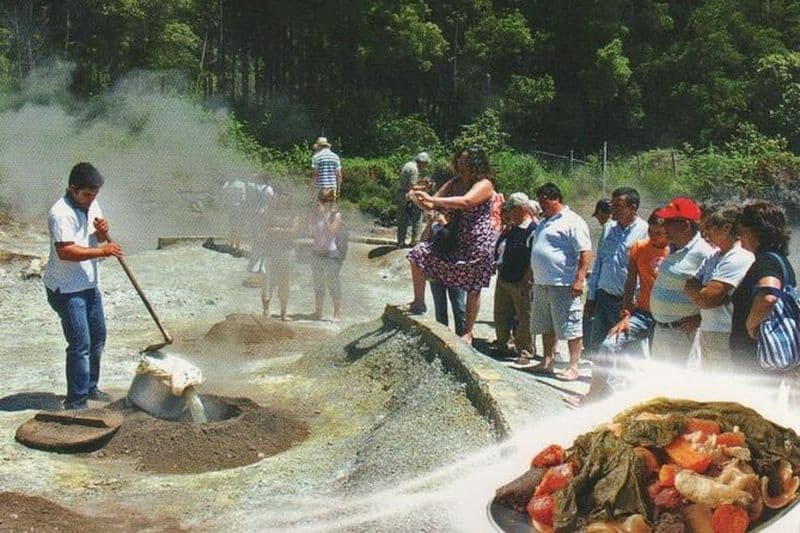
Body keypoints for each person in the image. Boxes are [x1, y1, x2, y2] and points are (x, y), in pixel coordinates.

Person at [43, 163, 122, 410]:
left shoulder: (91, 204)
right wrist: (102, 250)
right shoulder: (60, 212)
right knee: (80, 344)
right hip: (66, 289)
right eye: (87, 194)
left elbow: (93, 237)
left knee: (98, 337)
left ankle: (90, 388)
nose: (91, 199)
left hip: (89, 284)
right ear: (72, 189)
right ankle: (76, 402)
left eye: (95, 194)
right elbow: (65, 251)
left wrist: (102, 233)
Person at [404, 145, 497, 343]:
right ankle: (419, 303)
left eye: (466, 161)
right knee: (418, 253)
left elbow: (466, 201)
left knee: (473, 287)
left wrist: (430, 198)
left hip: (477, 241)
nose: (462, 164)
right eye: (460, 160)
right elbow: (432, 204)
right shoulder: (453, 183)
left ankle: (468, 331)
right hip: (454, 238)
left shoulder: (485, 183)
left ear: (476, 163)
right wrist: (417, 198)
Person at [594, 210, 670, 393]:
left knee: (658, 362)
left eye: (658, 233)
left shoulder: (675, 251)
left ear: (668, 232)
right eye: (651, 232)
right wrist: (626, 312)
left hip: (667, 317)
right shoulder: (639, 247)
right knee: (609, 345)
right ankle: (597, 392)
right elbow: (631, 281)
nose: (653, 237)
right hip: (643, 313)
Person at [528, 182, 592, 381]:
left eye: (543, 201)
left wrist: (579, 280)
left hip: (564, 283)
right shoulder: (544, 221)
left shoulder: (572, 221)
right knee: (546, 325)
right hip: (542, 282)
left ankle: (573, 366)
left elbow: (585, 252)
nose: (540, 205)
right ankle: (547, 361)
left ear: (554, 198)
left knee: (571, 327)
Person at [684, 204, 754, 372]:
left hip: (726, 334)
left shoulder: (739, 257)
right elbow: (688, 285)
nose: (704, 233)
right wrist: (702, 293)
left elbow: (707, 299)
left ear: (726, 228)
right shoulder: (713, 256)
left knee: (724, 387)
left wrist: (702, 293)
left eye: (709, 228)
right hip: (709, 330)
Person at [730, 201, 796, 374]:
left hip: (754, 356)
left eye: (742, 231)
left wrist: (750, 325)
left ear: (758, 232)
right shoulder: (780, 260)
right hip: (766, 355)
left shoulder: (766, 261)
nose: (739, 237)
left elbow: (769, 296)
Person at [649, 197, 716, 365]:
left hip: (683, 334)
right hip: (662, 330)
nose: (664, 227)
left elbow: (718, 294)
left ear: (686, 225)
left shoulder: (704, 253)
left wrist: (700, 319)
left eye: (669, 222)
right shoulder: (673, 249)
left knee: (680, 386)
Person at [585, 187, 649, 352]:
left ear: (633, 207)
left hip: (627, 302)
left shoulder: (645, 231)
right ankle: (599, 378)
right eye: (613, 205)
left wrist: (635, 302)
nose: (613, 210)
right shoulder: (608, 228)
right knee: (598, 347)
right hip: (603, 297)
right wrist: (591, 296)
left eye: (618, 206)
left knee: (624, 348)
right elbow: (598, 263)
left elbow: (645, 270)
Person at [493, 192, 537, 363]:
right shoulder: (511, 228)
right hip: (505, 276)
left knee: (524, 317)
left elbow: (533, 257)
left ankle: (525, 350)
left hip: (521, 280)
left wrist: (527, 279)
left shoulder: (532, 230)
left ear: (519, 209)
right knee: (501, 313)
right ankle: (503, 344)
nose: (508, 213)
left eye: (510, 210)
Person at [425, 211, 467, 336]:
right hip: (437, 270)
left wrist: (444, 223)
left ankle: (462, 336)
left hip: (454, 270)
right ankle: (443, 336)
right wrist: (429, 224)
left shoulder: (458, 225)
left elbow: (450, 240)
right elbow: (423, 240)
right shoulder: (434, 226)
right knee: (440, 307)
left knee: (459, 307)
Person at [261, 190, 300, 320]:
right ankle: (266, 311)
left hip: (287, 250)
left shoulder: (294, 212)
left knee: (285, 282)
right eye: (280, 196)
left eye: (285, 196)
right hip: (271, 250)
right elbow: (266, 228)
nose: (282, 199)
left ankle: (283, 312)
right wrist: (280, 231)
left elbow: (295, 230)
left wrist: (278, 230)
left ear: (289, 198)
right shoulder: (270, 210)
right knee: (268, 280)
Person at [309, 189, 345, 321]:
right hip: (317, 253)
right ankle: (318, 311)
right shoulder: (314, 215)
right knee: (318, 283)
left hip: (331, 253)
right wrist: (314, 218)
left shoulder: (336, 215)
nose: (323, 203)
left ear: (331, 201)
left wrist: (324, 216)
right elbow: (312, 233)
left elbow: (332, 230)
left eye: (326, 200)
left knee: (333, 283)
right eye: (322, 200)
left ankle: (337, 313)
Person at [243, 176, 275, 287]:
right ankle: (260, 266)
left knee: (257, 240)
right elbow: (272, 203)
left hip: (255, 214)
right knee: (263, 240)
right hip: (264, 215)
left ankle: (255, 263)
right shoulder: (269, 189)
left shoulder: (254, 187)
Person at [396, 152, 430, 247]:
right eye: (426, 164)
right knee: (417, 216)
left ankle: (400, 242)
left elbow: (408, 182)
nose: (425, 167)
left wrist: (422, 181)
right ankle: (415, 242)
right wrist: (425, 188)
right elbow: (412, 186)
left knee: (402, 219)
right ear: (423, 162)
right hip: (407, 195)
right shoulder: (415, 169)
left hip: (400, 194)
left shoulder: (408, 165)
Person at [218, 177, 247, 252]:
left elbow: (222, 196)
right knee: (238, 227)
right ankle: (237, 246)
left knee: (232, 226)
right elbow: (243, 198)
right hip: (238, 208)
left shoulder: (226, 184)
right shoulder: (242, 184)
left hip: (229, 208)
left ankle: (231, 243)